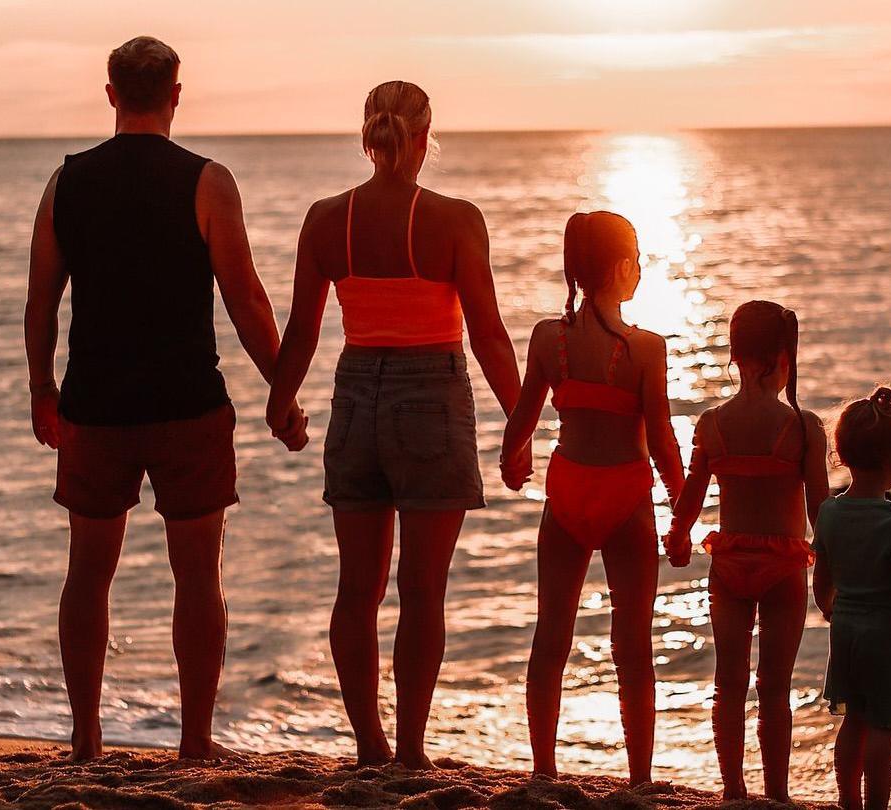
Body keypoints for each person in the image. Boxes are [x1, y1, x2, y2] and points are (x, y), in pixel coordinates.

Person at [23, 36, 306, 761]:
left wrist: (42, 389)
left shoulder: (68, 182)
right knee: (198, 577)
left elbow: (41, 302)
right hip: (189, 406)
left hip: (94, 405)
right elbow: (245, 299)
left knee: (87, 572)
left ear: (112, 93)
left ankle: (86, 738)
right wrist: (284, 393)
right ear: (175, 94)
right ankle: (195, 741)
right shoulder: (208, 181)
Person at [266, 81, 523, 769]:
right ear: (423, 135)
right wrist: (520, 425)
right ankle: (411, 749)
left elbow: (301, 333)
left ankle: (370, 744)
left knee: (358, 588)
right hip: (430, 400)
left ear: (368, 134)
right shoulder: (455, 220)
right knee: (422, 589)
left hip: (354, 398)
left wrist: (279, 403)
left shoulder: (327, 220)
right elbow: (490, 336)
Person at [499, 212, 685, 785]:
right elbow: (660, 439)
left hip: (568, 493)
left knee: (550, 633)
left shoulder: (547, 339)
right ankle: (640, 778)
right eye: (637, 257)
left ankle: (544, 769)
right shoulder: (647, 349)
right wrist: (682, 509)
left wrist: (513, 462)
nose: (641, 268)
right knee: (633, 646)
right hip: (627, 498)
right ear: (620, 267)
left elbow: (522, 419)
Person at [664, 300, 829, 801]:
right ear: (784, 359)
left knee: (729, 684)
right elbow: (820, 508)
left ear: (736, 357)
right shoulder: (803, 427)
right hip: (782, 568)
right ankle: (777, 794)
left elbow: (691, 495)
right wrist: (835, 567)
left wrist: (678, 536)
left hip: (730, 565)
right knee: (775, 689)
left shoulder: (713, 424)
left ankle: (733, 790)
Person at [812, 386, 891, 810]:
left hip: (845, 629)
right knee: (884, 725)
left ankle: (847, 801)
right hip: (886, 635)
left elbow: (822, 577)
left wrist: (828, 605)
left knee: (854, 720)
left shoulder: (828, 512)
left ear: (841, 454)